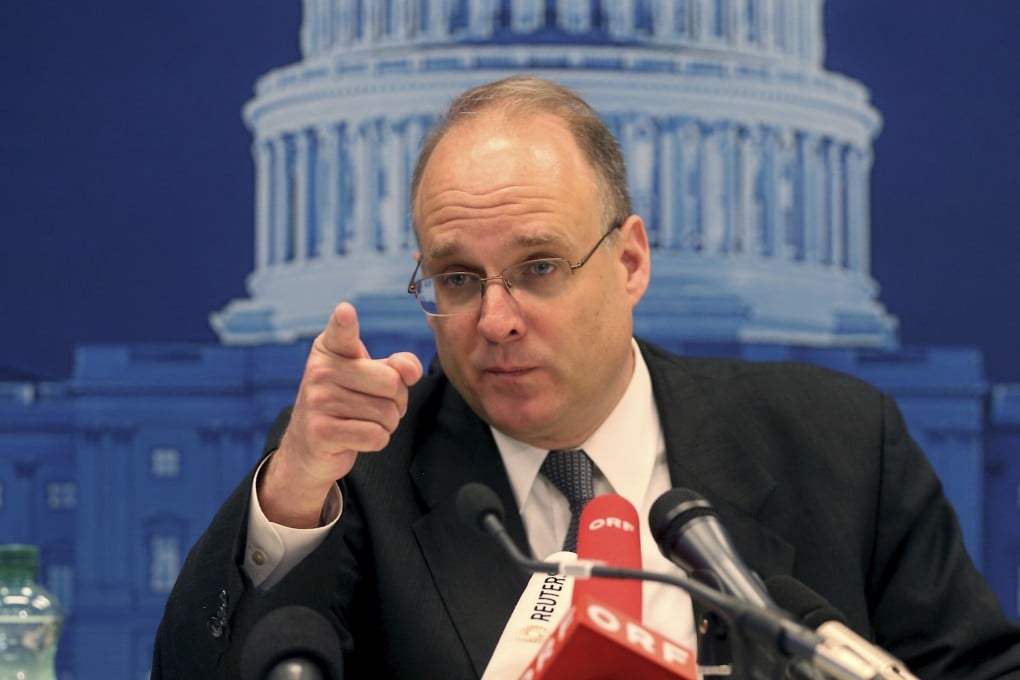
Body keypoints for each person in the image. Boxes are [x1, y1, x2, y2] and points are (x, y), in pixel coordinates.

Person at [152, 75, 1020, 679]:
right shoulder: (357, 475)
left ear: (631, 261)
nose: (496, 320)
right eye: (457, 280)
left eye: (539, 267)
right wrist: (297, 487)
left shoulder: (840, 445)